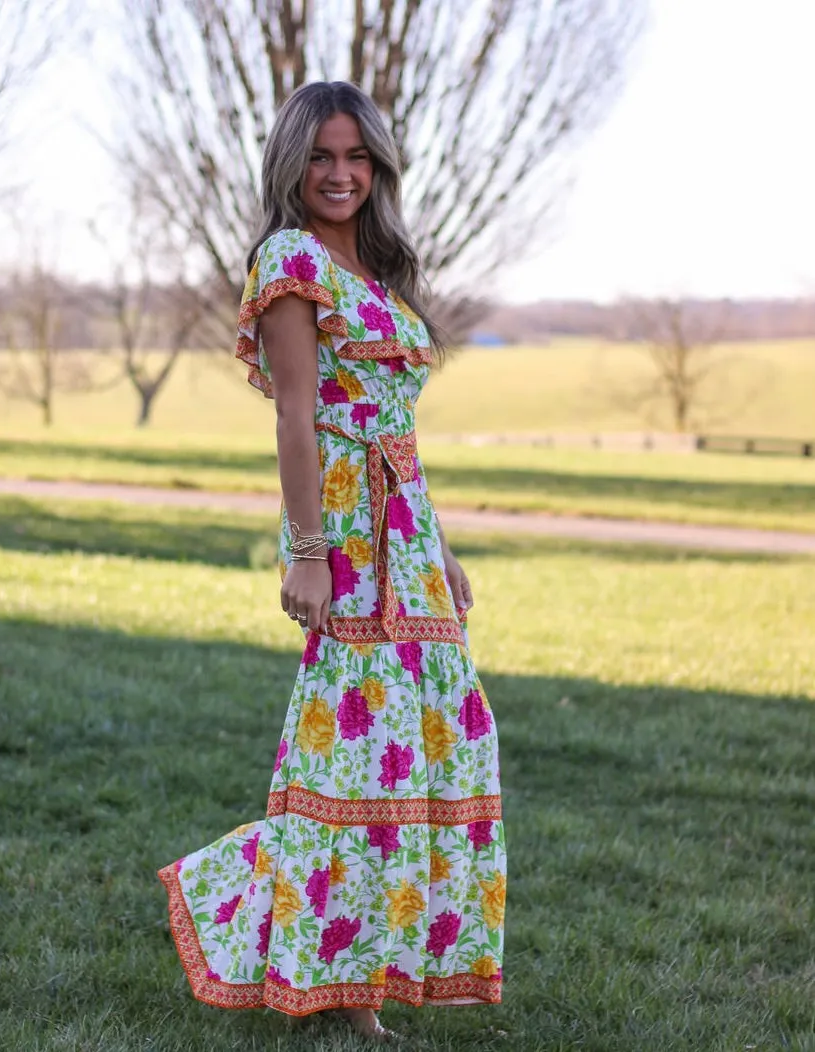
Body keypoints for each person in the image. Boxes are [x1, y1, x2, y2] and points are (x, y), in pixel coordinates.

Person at [157, 80, 506, 1043]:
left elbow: (396, 427)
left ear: (378, 164)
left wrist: (440, 547)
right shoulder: (290, 260)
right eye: (321, 157)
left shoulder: (382, 268)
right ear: (293, 166)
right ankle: (322, 966)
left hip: (408, 536)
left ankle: (362, 961)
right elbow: (296, 417)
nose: (341, 174)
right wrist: (309, 553)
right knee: (352, 749)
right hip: (344, 534)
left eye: (356, 156)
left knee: (434, 743)